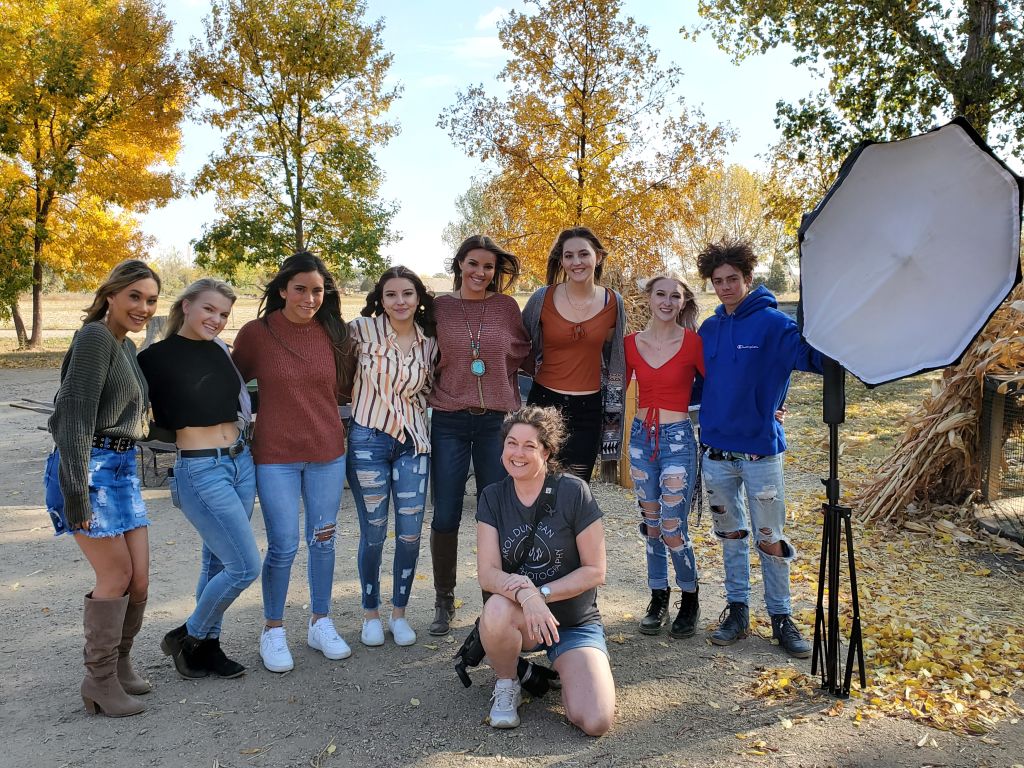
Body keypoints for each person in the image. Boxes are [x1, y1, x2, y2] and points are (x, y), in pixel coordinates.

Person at [44, 260, 160, 717]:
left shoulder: (124, 346)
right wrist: (76, 493)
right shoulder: (94, 337)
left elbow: (135, 416)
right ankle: (98, 682)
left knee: (141, 577)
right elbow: (73, 416)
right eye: (134, 296)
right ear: (110, 294)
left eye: (151, 300)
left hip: (121, 468)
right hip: (88, 468)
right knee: (115, 576)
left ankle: (120, 664)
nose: (143, 307)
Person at [696, 240, 823, 658]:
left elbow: (815, 359)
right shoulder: (709, 329)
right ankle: (737, 609)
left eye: (733, 279)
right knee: (730, 535)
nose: (726, 287)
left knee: (770, 536)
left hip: (760, 454)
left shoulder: (774, 323)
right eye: (718, 281)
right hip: (715, 453)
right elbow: (697, 383)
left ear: (748, 278)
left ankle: (782, 617)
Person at [232, 251, 352, 672]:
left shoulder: (335, 333)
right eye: (300, 289)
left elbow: (352, 386)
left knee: (323, 539)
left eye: (317, 290)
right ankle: (274, 630)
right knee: (282, 545)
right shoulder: (256, 333)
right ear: (282, 289)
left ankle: (321, 622)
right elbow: (229, 382)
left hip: (327, 453)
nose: (309, 297)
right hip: (275, 456)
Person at [138, 279, 259, 680]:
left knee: (216, 560)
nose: (217, 320)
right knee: (244, 566)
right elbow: (133, 411)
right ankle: (187, 636)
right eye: (209, 309)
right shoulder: (154, 358)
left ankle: (206, 648)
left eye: (224, 314)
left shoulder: (223, 352)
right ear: (186, 305)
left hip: (241, 463)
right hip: (201, 467)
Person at [476, 406, 615, 735]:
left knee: (595, 721)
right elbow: (488, 574)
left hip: (572, 622)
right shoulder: (493, 497)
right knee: (495, 608)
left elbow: (596, 570)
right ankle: (508, 681)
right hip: (518, 618)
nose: (517, 453)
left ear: (547, 451)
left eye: (529, 445)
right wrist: (525, 595)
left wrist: (542, 594)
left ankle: (564, 674)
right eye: (511, 443)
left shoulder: (573, 491)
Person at [427, 235, 532, 636]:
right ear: (459, 264)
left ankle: (496, 599)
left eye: (488, 267)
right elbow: (426, 351)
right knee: (446, 512)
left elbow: (522, 350)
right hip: (450, 418)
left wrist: (499, 376)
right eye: (473, 264)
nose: (480, 273)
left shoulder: (506, 307)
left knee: (496, 514)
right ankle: (443, 599)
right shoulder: (440, 307)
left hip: (496, 423)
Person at [347, 266, 438, 648]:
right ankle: (370, 613)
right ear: (380, 299)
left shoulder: (429, 343)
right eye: (390, 295)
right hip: (368, 437)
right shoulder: (360, 331)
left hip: (413, 443)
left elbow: (431, 389)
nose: (399, 302)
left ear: (418, 299)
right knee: (373, 532)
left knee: (410, 532)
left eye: (407, 294)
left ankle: (399, 614)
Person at [624, 275, 705, 639]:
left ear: (683, 302)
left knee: (673, 529)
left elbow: (721, 386)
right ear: (649, 298)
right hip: (641, 439)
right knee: (652, 527)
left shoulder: (693, 344)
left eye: (676, 296)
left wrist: (772, 407)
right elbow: (610, 391)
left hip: (677, 441)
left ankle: (690, 596)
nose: (667, 302)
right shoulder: (629, 344)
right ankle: (658, 596)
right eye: (661, 294)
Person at [522, 227, 626, 482]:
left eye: (583, 254)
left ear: (598, 257)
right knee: (536, 482)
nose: (576, 262)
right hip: (544, 403)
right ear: (561, 260)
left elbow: (614, 357)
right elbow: (520, 345)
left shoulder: (613, 302)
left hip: (588, 409)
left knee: (576, 487)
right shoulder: (541, 298)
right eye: (568, 256)